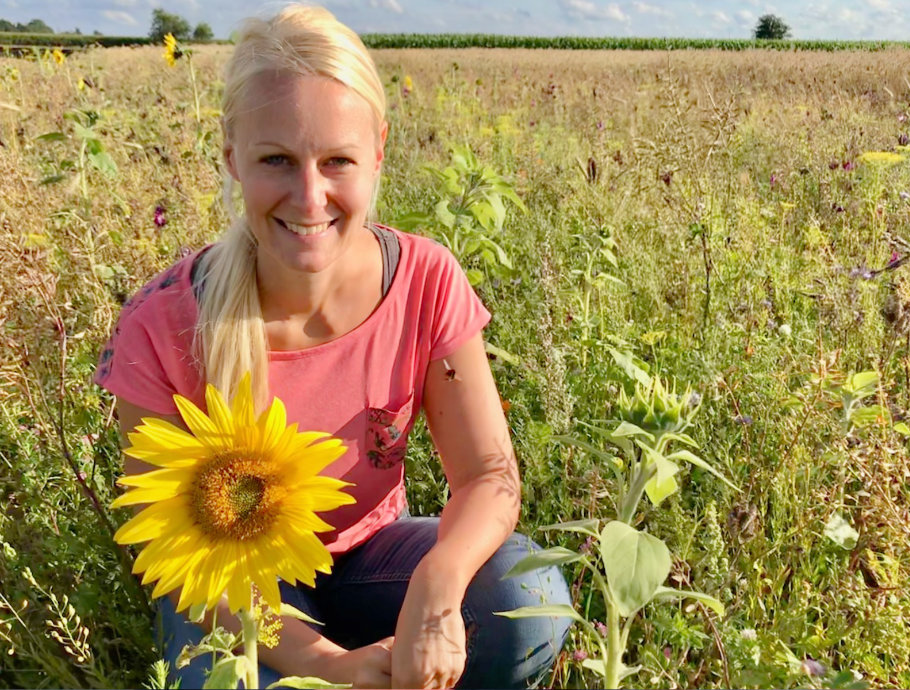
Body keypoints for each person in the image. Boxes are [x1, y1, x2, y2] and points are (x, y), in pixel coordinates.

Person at [95, 5, 571, 688]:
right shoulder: (164, 325)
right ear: (230, 154)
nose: (310, 196)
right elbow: (178, 553)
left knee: (530, 597)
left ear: (379, 148)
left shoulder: (422, 281)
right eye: (277, 160)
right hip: (231, 593)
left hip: (368, 560)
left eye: (337, 160)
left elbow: (489, 477)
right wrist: (328, 667)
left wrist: (437, 587)